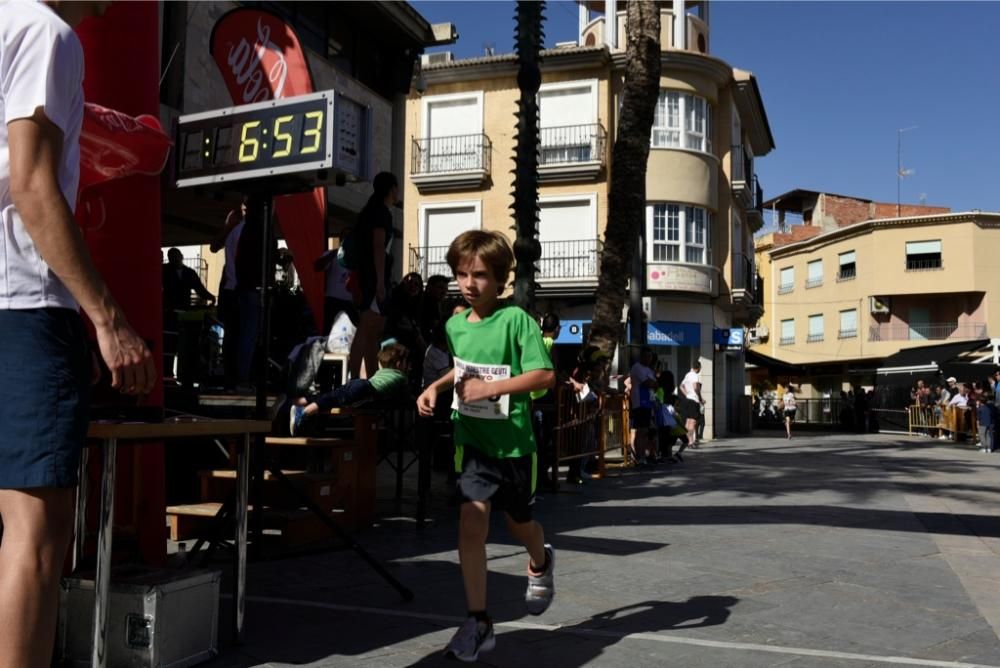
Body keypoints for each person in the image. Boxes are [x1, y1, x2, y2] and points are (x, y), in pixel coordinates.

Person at [0, 4, 157, 667]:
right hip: (25, 304)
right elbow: (34, 186)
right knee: (35, 535)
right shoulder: (45, 32)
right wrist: (108, 317)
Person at [417, 230, 555, 662]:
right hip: (472, 442)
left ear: (500, 279)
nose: (469, 284)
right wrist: (436, 388)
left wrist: (489, 388)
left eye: (479, 275)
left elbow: (543, 377)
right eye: (461, 274)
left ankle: (539, 560)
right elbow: (464, 370)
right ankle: (479, 621)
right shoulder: (455, 324)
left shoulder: (517, 321)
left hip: (514, 446)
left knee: (519, 525)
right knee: (470, 526)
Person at [289, 342, 409, 435]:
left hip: (360, 383)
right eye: (407, 363)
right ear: (399, 364)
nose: (409, 367)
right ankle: (304, 412)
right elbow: (403, 395)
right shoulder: (401, 377)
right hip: (367, 390)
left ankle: (299, 401)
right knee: (335, 399)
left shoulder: (382, 371)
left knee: (332, 395)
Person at [349, 171, 398, 380]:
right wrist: (380, 282)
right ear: (391, 189)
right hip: (372, 276)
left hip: (366, 274)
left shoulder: (369, 211)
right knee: (367, 327)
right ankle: (355, 380)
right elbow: (379, 246)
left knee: (372, 331)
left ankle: (370, 378)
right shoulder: (381, 213)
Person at [210, 197, 246, 391]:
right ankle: (232, 378)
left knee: (239, 334)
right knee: (232, 334)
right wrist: (227, 226)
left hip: (241, 288)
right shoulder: (234, 227)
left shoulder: (253, 227)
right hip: (231, 289)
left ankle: (237, 377)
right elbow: (214, 247)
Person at [315, 228, 359, 331]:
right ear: (340, 239)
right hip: (333, 300)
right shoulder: (332, 254)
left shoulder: (356, 257)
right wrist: (334, 253)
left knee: (350, 332)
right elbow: (317, 267)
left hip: (349, 302)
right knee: (329, 331)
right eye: (344, 237)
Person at [628, 346, 657, 465]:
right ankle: (639, 457)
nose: (648, 358)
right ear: (641, 356)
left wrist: (654, 384)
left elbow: (655, 384)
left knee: (645, 432)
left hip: (648, 403)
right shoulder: (637, 368)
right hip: (639, 403)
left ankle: (643, 455)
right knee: (640, 431)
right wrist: (653, 383)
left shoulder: (649, 370)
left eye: (650, 356)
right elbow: (648, 383)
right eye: (646, 356)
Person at [679, 360, 704, 447]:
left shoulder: (688, 374)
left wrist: (687, 394)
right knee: (693, 422)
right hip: (694, 400)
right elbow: (696, 387)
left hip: (687, 400)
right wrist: (700, 398)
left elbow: (681, 386)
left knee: (688, 421)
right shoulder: (694, 376)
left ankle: (687, 441)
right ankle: (691, 441)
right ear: (698, 368)